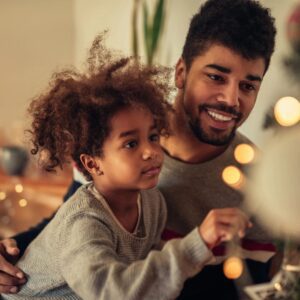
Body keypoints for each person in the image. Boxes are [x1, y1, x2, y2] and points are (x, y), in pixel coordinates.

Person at [0, 0, 277, 299]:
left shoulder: (258, 180)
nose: (231, 100)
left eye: (248, 86)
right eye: (215, 77)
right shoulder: (109, 145)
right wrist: (11, 249)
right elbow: (72, 224)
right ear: (181, 72)